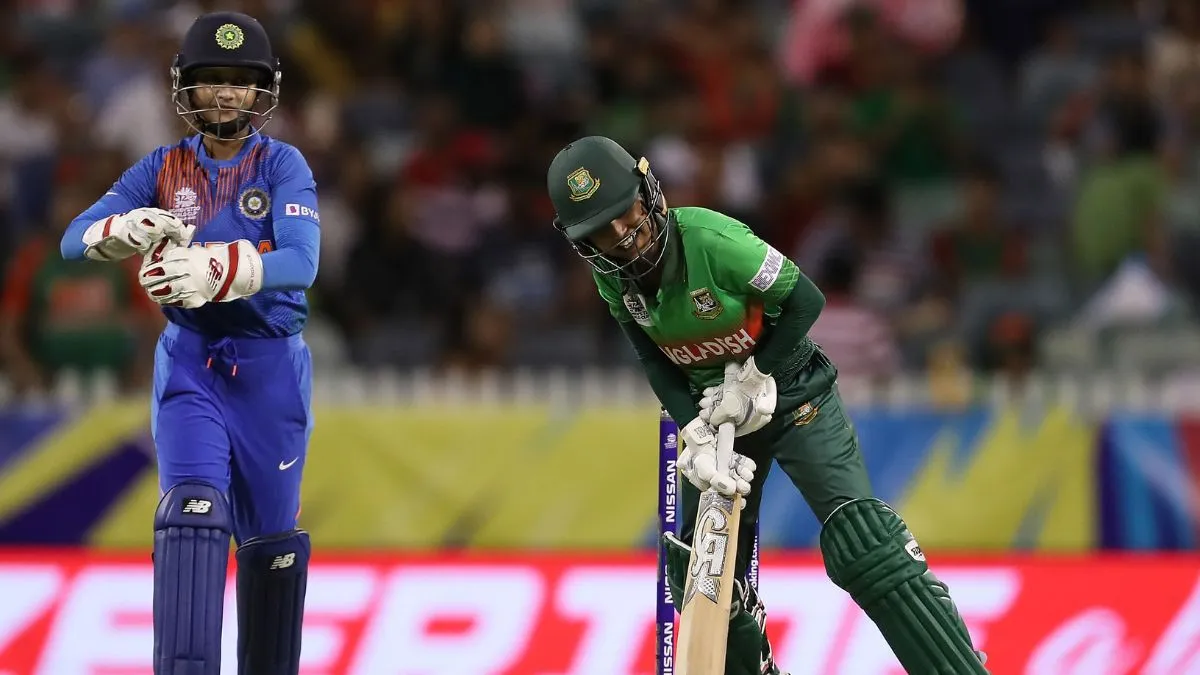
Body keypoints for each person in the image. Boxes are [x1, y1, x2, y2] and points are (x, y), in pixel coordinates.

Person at [546, 136, 989, 675]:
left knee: (864, 542)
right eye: (601, 229)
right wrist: (695, 429)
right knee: (701, 575)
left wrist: (757, 374)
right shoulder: (611, 276)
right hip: (717, 414)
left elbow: (806, 300)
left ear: (648, 192)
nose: (622, 234)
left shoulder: (713, 240)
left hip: (792, 390)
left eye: (626, 212)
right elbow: (651, 357)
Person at [59, 12, 319, 675]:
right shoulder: (162, 166)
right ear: (185, 87)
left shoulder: (282, 164)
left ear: (262, 89)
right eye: (211, 79)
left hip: (268, 371)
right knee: (191, 518)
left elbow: (302, 261)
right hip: (190, 363)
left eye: (240, 80)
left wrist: (218, 269)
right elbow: (72, 238)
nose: (226, 93)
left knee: (271, 549)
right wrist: (120, 229)